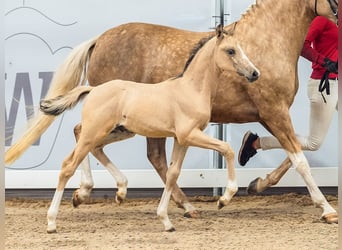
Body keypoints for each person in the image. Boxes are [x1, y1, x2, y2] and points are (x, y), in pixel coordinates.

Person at [238, 16, 338, 166]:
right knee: (313, 143)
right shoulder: (322, 20)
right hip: (324, 85)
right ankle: (256, 143)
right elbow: (301, 46)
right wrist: (324, 61)